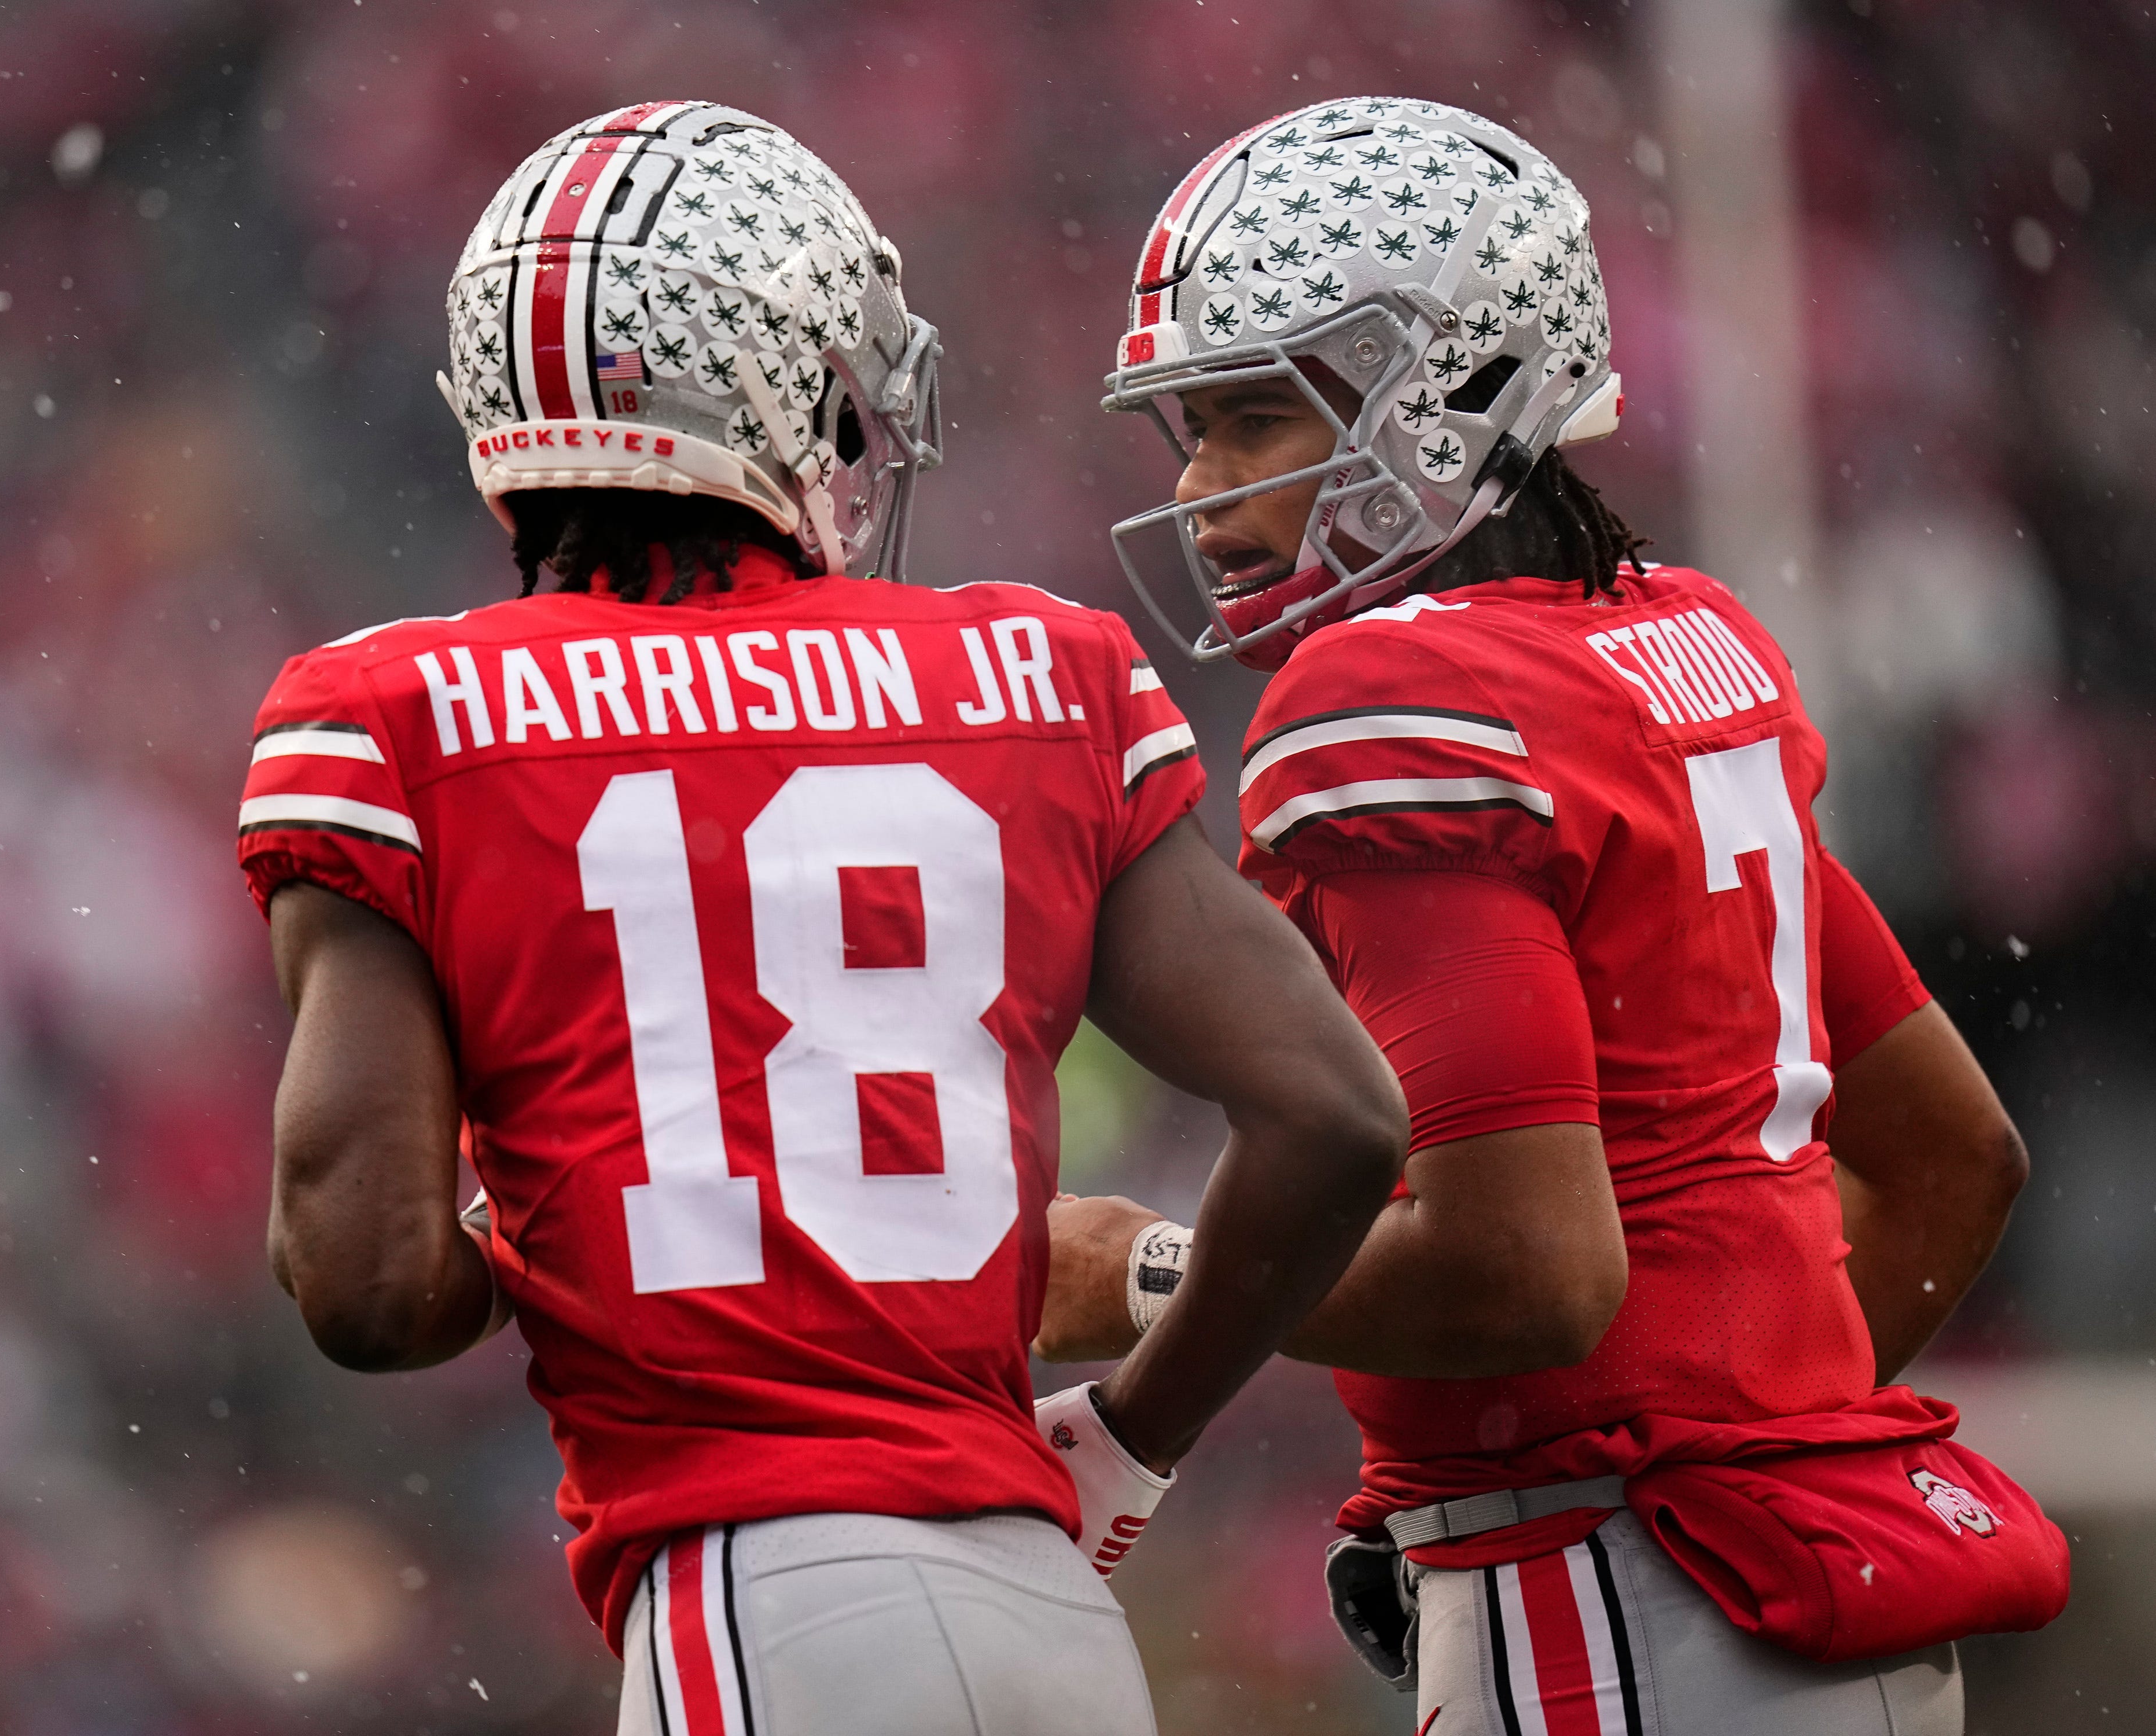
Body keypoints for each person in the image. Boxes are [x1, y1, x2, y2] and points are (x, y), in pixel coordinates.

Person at [236, 101, 1407, 1736]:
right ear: (791, 387)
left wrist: (540, 1227)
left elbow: (366, 1292)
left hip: (758, 1592)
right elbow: (1339, 1116)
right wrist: (1138, 1429)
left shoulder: (395, 716)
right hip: (1050, 1613)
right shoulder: (1037, 669)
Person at [1040, 97, 2066, 1736]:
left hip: (1622, 1614)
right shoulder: (1670, 643)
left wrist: (1134, 1273)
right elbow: (1957, 1161)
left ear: (1448, 398)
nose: (1205, 490)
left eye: (1253, 420)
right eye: (1189, 432)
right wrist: (1746, 1458)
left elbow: (1524, 1277)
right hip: (1811, 1598)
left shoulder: (1388, 701)